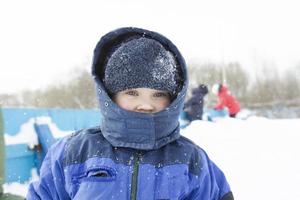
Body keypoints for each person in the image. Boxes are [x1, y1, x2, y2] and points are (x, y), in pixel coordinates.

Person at [27, 27, 234, 200]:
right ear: (111, 95)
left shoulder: (190, 158)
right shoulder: (74, 151)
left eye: (158, 94)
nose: (145, 104)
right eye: (132, 93)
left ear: (173, 97)